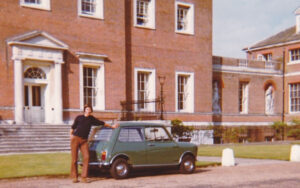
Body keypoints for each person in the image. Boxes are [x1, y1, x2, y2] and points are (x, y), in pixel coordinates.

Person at [70, 104, 118, 183]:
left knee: (86, 157)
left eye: (89, 109)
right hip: (75, 139)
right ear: (85, 110)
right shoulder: (79, 117)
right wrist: (71, 135)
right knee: (74, 159)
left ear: (91, 111)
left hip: (84, 141)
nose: (88, 110)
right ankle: (75, 177)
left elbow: (101, 123)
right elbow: (73, 127)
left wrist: (111, 126)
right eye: (87, 109)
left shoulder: (91, 119)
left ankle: (83, 177)